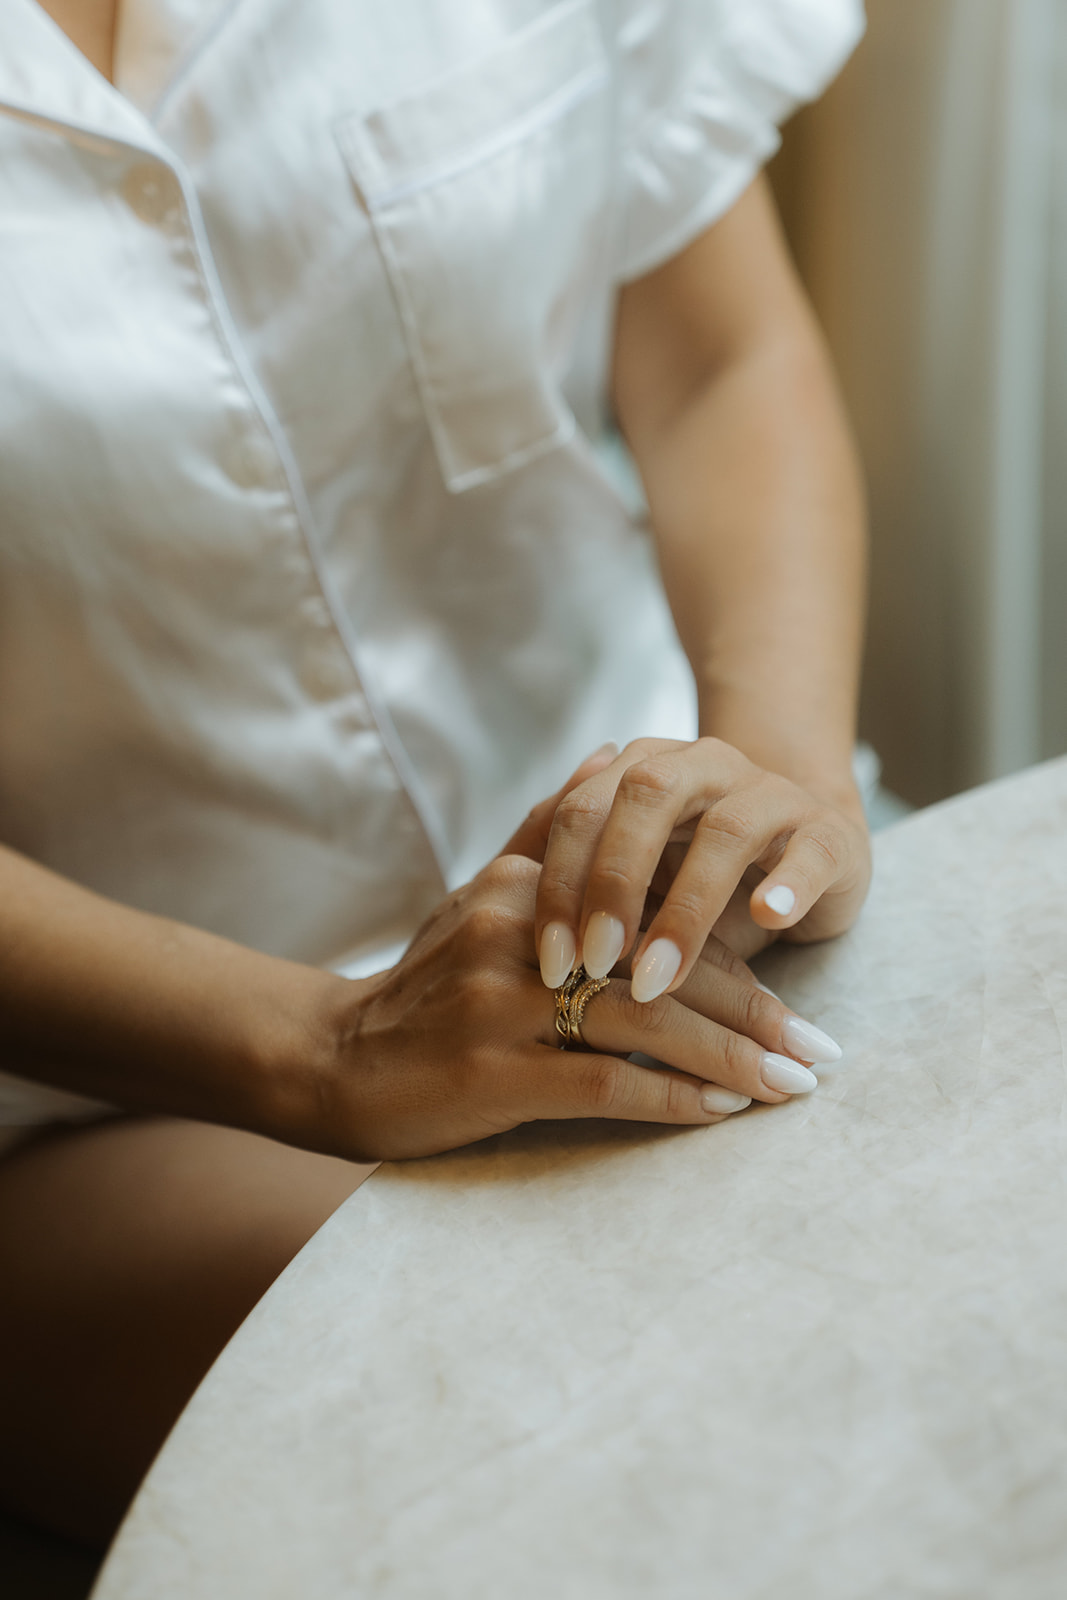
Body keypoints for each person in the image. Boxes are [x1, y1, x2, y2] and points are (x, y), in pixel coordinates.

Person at [0, 0, 871, 1551]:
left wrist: (778, 775)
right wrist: (325, 1044)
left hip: (669, 881)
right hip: (116, 1085)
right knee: (618, 1409)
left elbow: (716, 359)